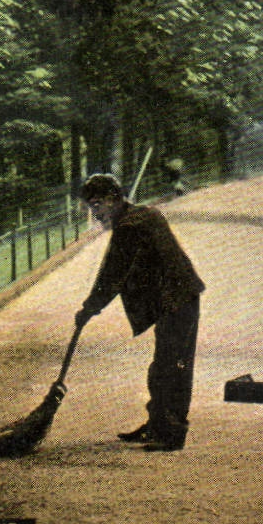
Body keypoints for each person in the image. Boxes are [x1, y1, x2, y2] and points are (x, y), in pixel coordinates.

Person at [74, 172, 205, 452]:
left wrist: (89, 309)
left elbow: (112, 274)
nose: (94, 213)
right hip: (179, 299)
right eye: (90, 207)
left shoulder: (131, 226)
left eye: (97, 205)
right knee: (166, 366)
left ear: (113, 199)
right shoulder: (142, 214)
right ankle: (159, 425)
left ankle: (170, 434)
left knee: (169, 369)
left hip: (176, 301)